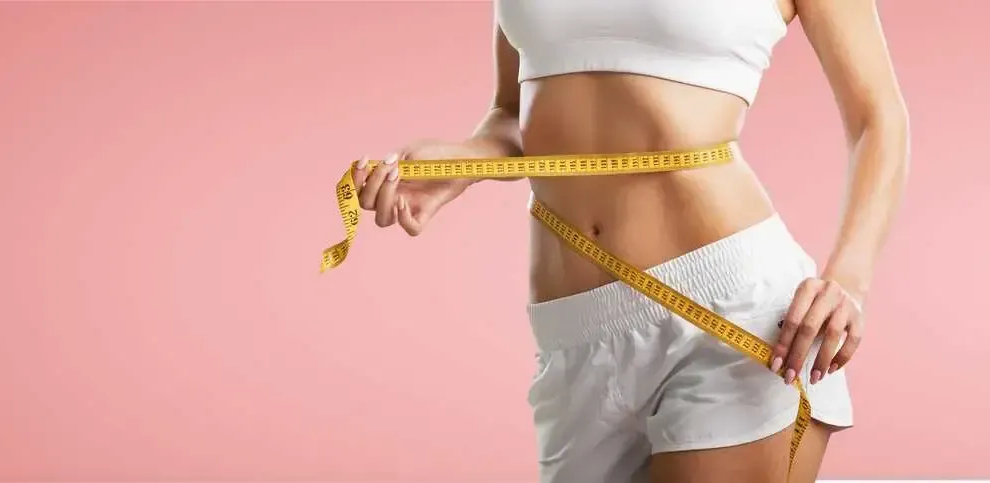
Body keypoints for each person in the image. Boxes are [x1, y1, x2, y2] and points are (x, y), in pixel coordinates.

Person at [349, 1, 909, 482]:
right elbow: (513, 116)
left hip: (729, 317)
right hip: (571, 333)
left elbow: (877, 116)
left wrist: (849, 280)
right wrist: (458, 165)